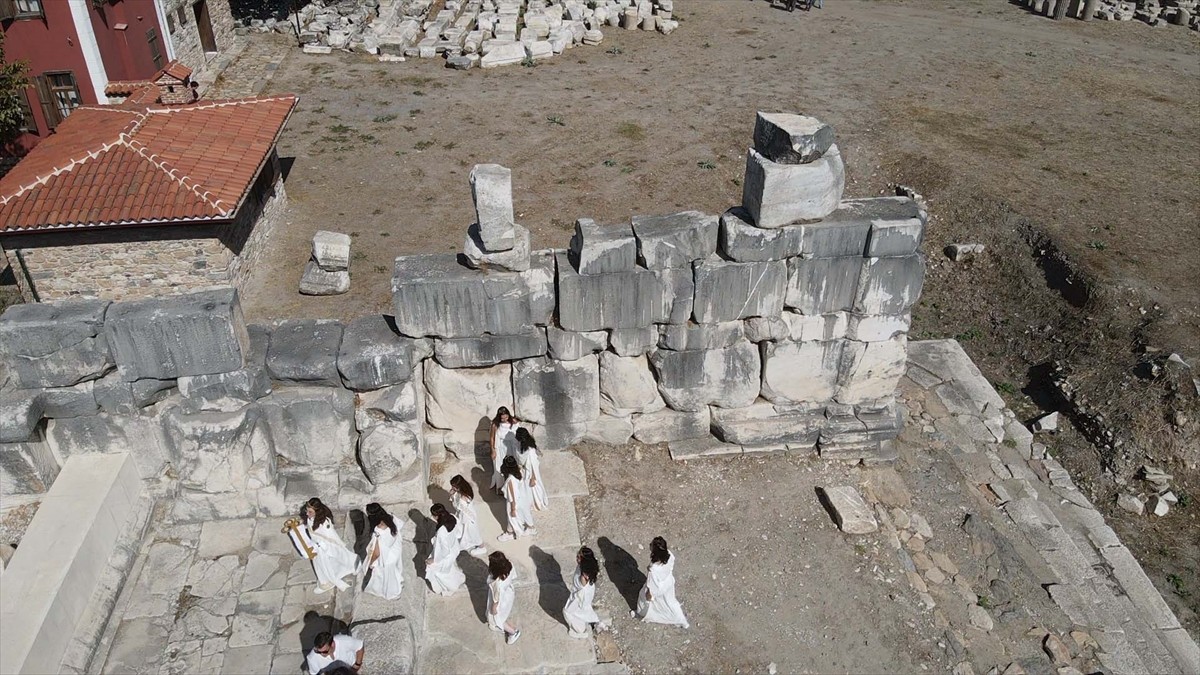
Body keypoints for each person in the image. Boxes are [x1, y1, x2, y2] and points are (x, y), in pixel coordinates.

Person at [631, 536, 689, 629]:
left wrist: (648, 597)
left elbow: (650, 593)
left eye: (651, 545)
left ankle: (644, 614)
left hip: (657, 587)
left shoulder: (653, 570)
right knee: (669, 601)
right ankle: (680, 618)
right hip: (668, 582)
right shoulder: (669, 555)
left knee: (645, 601)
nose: (649, 545)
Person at [303, 498, 357, 594]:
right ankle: (324, 581)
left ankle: (327, 582)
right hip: (316, 547)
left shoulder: (325, 523)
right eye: (307, 511)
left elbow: (331, 537)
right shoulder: (310, 518)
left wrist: (322, 546)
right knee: (320, 565)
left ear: (317, 511)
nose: (307, 514)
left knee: (325, 565)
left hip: (323, 548)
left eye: (310, 512)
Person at [360, 502, 403, 600]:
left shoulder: (378, 530)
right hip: (395, 550)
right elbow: (400, 525)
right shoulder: (390, 517)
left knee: (384, 576)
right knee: (393, 572)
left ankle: (392, 593)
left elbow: (377, 552)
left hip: (386, 557)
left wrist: (371, 562)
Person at [425, 503, 466, 595]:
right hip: (454, 549)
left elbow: (444, 550)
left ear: (437, 516)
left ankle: (449, 587)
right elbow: (459, 533)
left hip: (446, 555)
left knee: (436, 570)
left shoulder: (441, 532)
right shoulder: (452, 517)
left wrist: (434, 559)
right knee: (448, 569)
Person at [563, 545, 601, 638]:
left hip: (580, 597)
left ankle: (581, 632)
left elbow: (581, 594)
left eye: (579, 557)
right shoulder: (586, 569)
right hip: (580, 594)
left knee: (568, 612)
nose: (577, 558)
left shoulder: (583, 577)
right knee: (579, 612)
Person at [497, 456, 536, 541]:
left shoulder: (510, 480)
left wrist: (513, 509)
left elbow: (512, 496)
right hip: (521, 498)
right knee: (524, 514)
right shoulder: (519, 471)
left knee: (511, 517)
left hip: (513, 502)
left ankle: (509, 533)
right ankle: (530, 528)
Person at [487, 551, 521, 645]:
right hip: (508, 594)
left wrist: (493, 612)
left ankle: (513, 632)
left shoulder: (496, 584)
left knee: (497, 620)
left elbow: (495, 601)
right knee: (502, 616)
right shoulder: (510, 565)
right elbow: (513, 576)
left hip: (501, 601)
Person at [450, 475, 487, 557]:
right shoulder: (465, 491)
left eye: (454, 486)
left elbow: (457, 506)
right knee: (466, 532)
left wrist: (453, 497)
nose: (452, 488)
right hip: (465, 515)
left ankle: (482, 547)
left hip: (467, 518)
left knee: (473, 533)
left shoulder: (463, 498)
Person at [514, 427, 548, 510]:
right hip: (524, 470)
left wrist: (533, 477)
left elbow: (533, 465)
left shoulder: (530, 450)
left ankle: (536, 503)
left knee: (533, 488)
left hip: (530, 473)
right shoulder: (520, 445)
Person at [490, 407, 521, 493]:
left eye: (506, 417)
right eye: (502, 418)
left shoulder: (513, 421)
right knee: (499, 466)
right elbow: (492, 438)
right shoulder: (495, 425)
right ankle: (500, 487)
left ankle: (514, 485)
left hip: (510, 447)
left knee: (512, 464)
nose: (504, 419)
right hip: (500, 448)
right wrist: (493, 450)